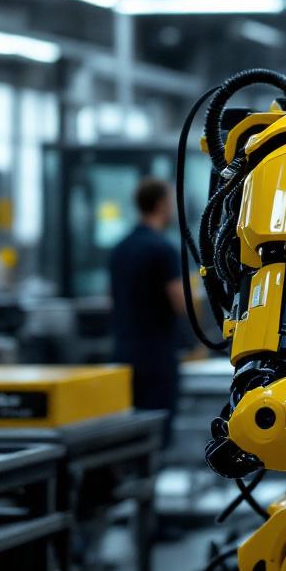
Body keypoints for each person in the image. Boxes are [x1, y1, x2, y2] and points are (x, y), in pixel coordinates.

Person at [109, 178, 185, 446]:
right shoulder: (163, 249)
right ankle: (150, 485)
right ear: (162, 204)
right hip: (157, 357)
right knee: (158, 433)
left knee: (132, 434)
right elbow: (180, 303)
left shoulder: (120, 248)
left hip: (123, 353)